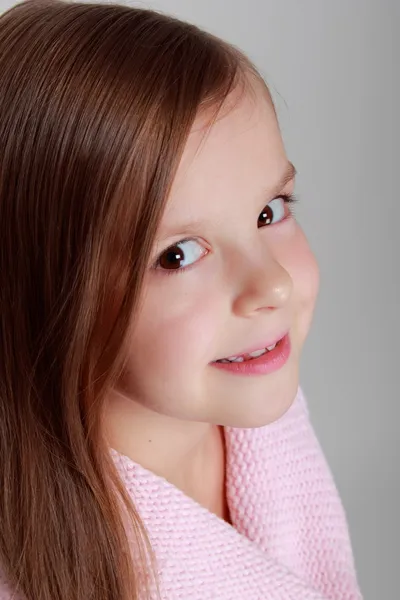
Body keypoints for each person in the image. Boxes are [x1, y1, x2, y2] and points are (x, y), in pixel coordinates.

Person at [0, 0, 363, 598]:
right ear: (45, 292)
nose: (271, 284)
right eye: (178, 255)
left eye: (269, 212)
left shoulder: (248, 400)